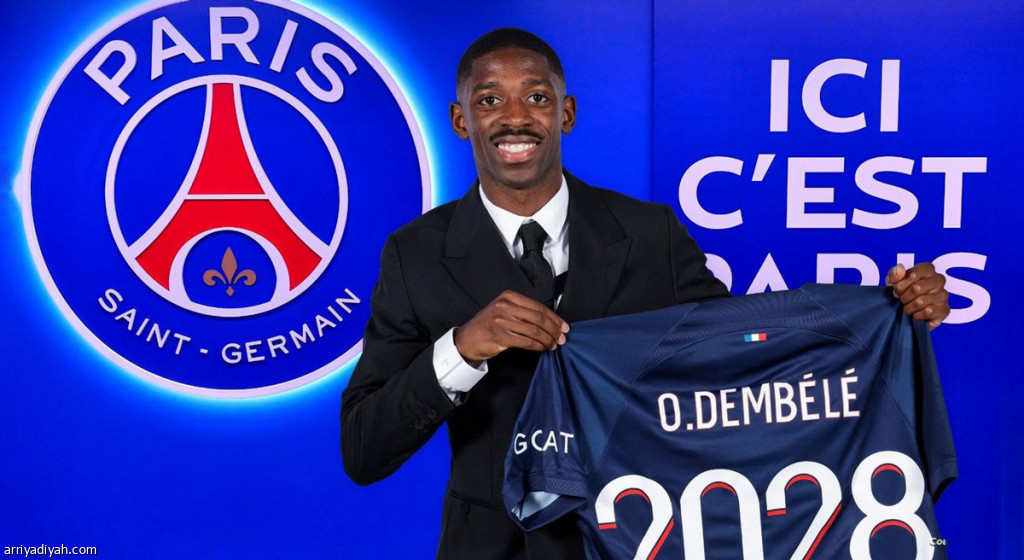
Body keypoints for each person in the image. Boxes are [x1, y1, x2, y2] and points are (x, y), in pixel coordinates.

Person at [340, 28, 950, 560]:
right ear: (460, 120)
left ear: (566, 113)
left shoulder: (648, 232)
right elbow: (364, 449)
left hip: (644, 536)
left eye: (537, 97)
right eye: (490, 100)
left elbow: (744, 356)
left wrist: (886, 313)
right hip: (494, 547)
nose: (515, 117)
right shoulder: (414, 255)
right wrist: (463, 349)